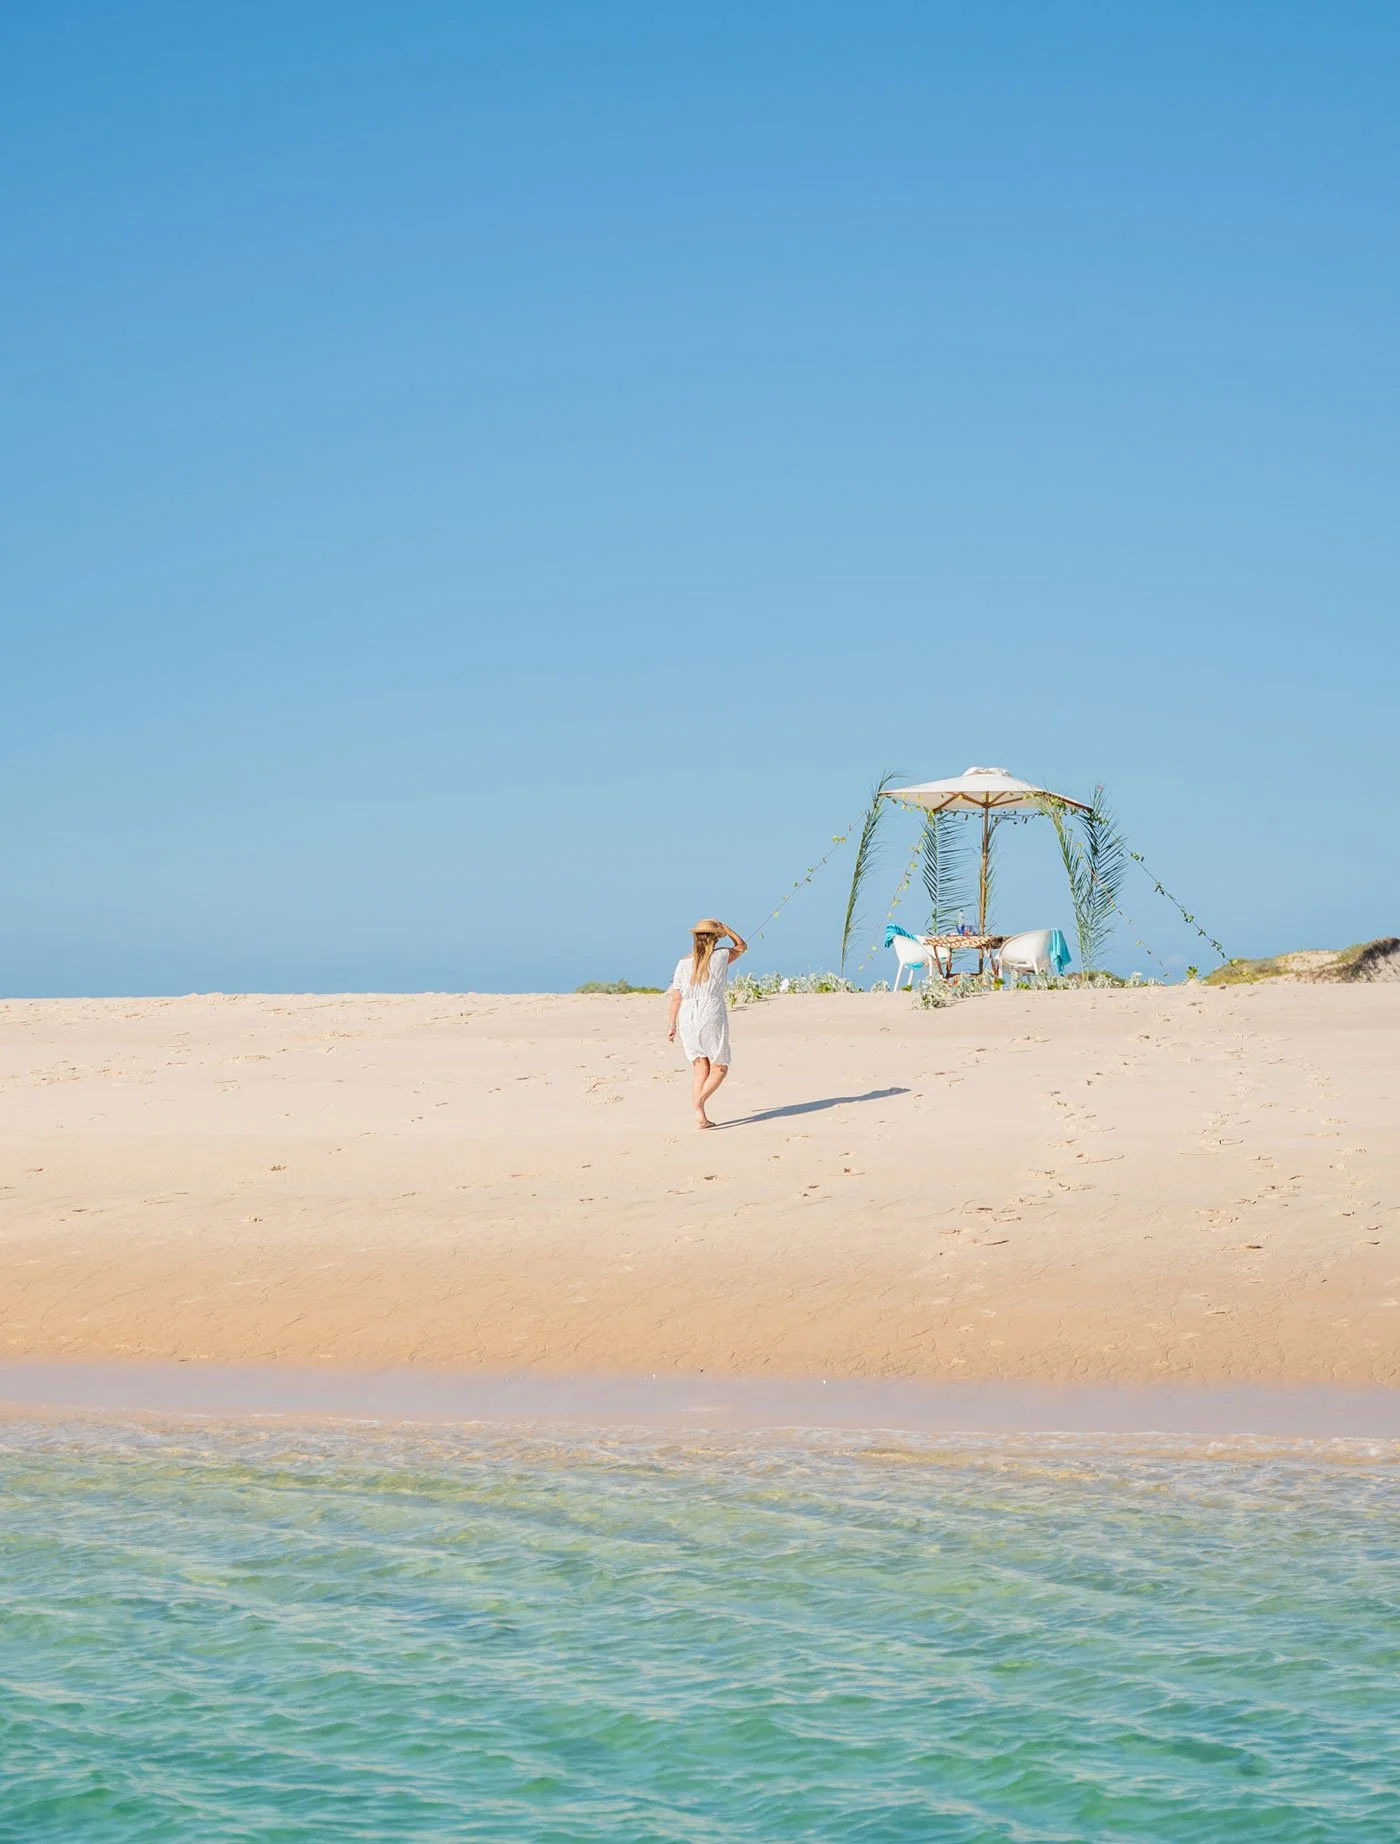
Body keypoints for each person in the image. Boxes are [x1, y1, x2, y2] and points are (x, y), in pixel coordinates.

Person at [665, 918, 747, 1129]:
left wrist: (672, 1025)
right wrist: (727, 929)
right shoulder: (721, 955)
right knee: (720, 1067)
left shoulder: (683, 962)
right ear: (715, 938)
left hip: (687, 1014)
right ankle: (699, 1102)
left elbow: (676, 996)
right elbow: (742, 946)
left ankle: (700, 1117)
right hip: (711, 1011)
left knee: (700, 1066)